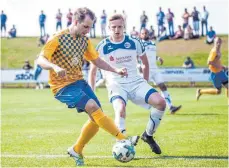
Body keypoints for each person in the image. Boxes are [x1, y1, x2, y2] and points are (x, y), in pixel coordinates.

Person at [36, 7, 139, 166]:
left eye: (90, 27)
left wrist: (115, 69)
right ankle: (123, 139)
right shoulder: (58, 38)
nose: (88, 30)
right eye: (85, 26)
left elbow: (97, 61)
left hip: (79, 82)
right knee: (92, 107)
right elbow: (41, 60)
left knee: (96, 118)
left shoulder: (85, 40)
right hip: (62, 86)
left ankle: (76, 149)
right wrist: (54, 67)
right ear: (75, 22)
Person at [89, 14, 166, 155]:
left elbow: (145, 63)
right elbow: (93, 71)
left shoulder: (134, 42)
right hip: (116, 83)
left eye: (120, 27)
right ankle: (122, 143)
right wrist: (91, 93)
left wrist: (145, 82)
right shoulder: (102, 46)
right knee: (120, 109)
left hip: (136, 82)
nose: (117, 30)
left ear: (124, 27)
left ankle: (148, 135)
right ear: (108, 28)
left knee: (161, 102)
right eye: (114, 27)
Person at [140, 28, 182, 113]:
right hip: (145, 69)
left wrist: (158, 58)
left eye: (146, 33)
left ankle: (171, 107)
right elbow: (136, 56)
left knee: (163, 86)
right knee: (143, 89)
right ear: (140, 35)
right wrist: (138, 66)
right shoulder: (139, 44)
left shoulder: (153, 44)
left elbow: (152, 55)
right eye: (143, 33)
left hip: (155, 69)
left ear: (148, 34)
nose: (144, 35)